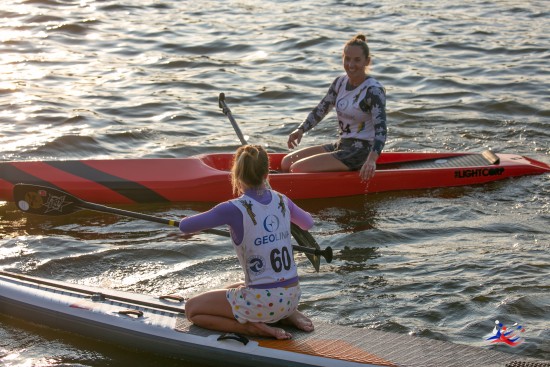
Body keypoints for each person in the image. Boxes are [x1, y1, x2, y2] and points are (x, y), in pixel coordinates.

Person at [180, 144, 315, 340]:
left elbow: (185, 226)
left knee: (192, 309)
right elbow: (308, 223)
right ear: (267, 172)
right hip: (292, 297)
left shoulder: (231, 208)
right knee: (234, 286)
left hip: (264, 304)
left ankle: (251, 328)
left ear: (236, 173)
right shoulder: (282, 200)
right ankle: (288, 315)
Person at [281, 34, 387, 182]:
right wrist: (300, 130)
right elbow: (321, 109)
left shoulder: (373, 91)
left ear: (367, 61)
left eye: (357, 60)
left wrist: (371, 160)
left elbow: (381, 131)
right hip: (342, 145)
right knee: (286, 163)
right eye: (347, 59)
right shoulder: (340, 82)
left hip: (361, 152)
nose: (351, 65)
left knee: (296, 169)